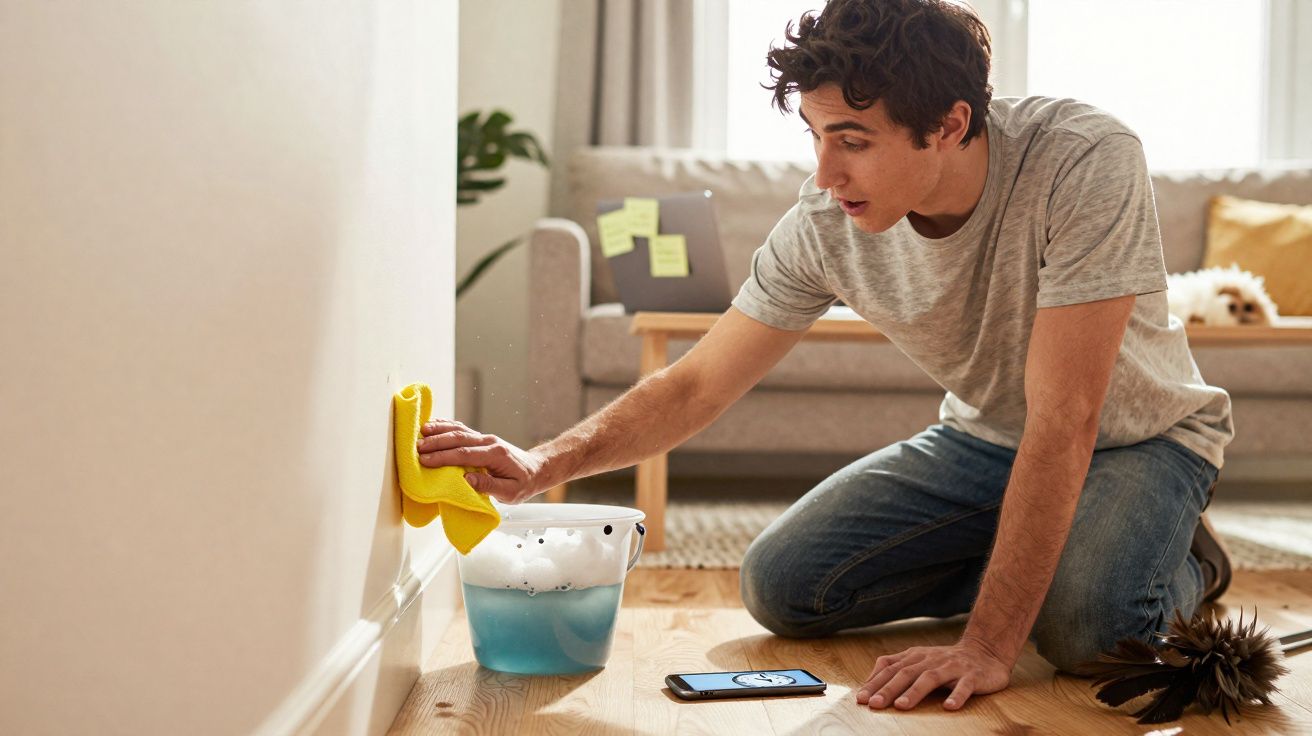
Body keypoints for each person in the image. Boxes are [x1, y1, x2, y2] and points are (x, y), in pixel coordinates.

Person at [417, 0, 1234, 714]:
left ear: (949, 124)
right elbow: (696, 383)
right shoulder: (824, 221)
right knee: (783, 586)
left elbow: (1068, 417)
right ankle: (1050, 552)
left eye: (852, 139)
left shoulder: (1084, 158)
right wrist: (541, 462)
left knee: (1086, 634)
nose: (825, 171)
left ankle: (1172, 554)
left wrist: (987, 646)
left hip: (1142, 440)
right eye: (814, 134)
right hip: (987, 440)